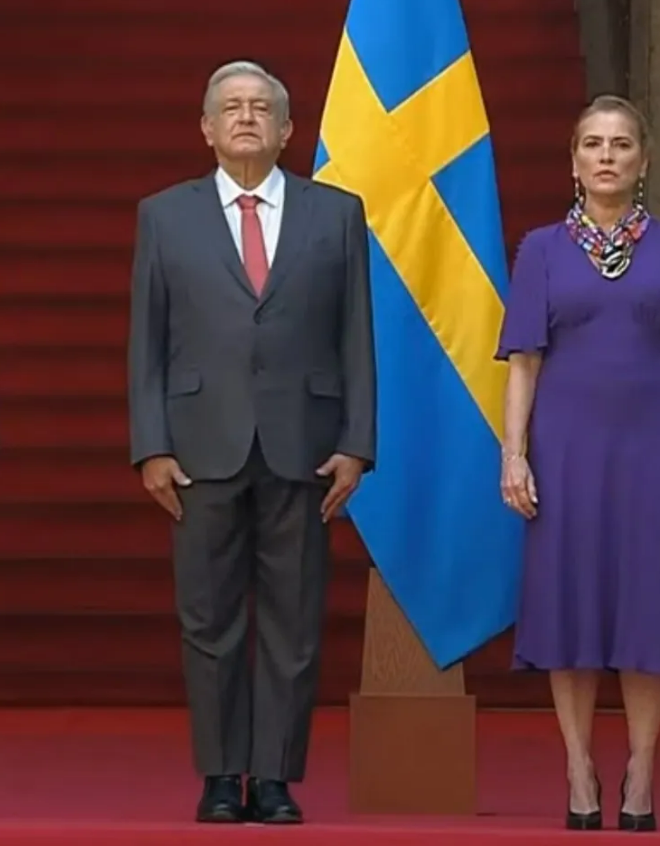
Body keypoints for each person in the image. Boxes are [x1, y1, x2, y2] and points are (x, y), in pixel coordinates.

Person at [127, 60, 376, 824]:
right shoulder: (165, 216)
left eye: (260, 107)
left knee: (294, 621)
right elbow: (148, 339)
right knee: (207, 619)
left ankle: (273, 776)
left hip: (303, 442)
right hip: (200, 448)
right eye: (230, 107)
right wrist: (151, 444)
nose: (245, 118)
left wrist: (357, 442)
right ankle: (218, 773)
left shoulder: (334, 213)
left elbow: (355, 336)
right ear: (205, 127)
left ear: (288, 129)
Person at [496, 94, 660, 833]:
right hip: (564, 452)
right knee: (570, 609)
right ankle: (577, 764)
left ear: (643, 159)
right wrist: (513, 453)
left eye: (621, 144)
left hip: (652, 449)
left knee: (645, 611)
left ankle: (641, 767)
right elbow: (523, 363)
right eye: (592, 143)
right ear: (573, 161)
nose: (606, 155)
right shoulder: (540, 249)